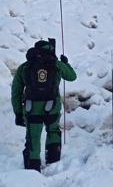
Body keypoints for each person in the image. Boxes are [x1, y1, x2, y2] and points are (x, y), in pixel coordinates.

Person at [11, 39, 76, 172]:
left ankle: (32, 169)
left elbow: (16, 91)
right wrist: (66, 63)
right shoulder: (56, 64)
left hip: (31, 108)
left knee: (33, 137)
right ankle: (53, 163)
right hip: (52, 107)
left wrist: (18, 112)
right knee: (53, 131)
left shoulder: (25, 67)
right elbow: (72, 76)